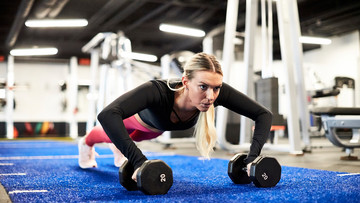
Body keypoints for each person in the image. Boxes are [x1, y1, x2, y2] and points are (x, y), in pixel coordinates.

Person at [78, 52, 272, 182]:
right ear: (186, 82)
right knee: (108, 134)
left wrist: (252, 159)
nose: (211, 96)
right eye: (203, 87)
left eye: (216, 88)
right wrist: (138, 161)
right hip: (136, 120)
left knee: (131, 139)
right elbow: (107, 114)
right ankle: (86, 143)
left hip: (154, 130)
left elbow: (263, 115)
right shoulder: (158, 91)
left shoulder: (217, 93)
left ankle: (118, 146)